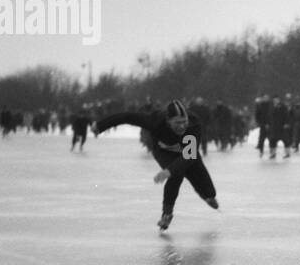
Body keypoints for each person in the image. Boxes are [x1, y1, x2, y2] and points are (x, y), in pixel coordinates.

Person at [93, 99, 219, 231]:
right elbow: (126, 117)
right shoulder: (155, 121)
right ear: (168, 121)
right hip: (164, 152)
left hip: (187, 152)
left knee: (208, 189)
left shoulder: (193, 125)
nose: (182, 126)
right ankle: (167, 214)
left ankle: (207, 196)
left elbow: (189, 157)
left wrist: (168, 171)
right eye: (177, 123)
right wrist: (100, 126)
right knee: (177, 175)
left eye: (184, 122)